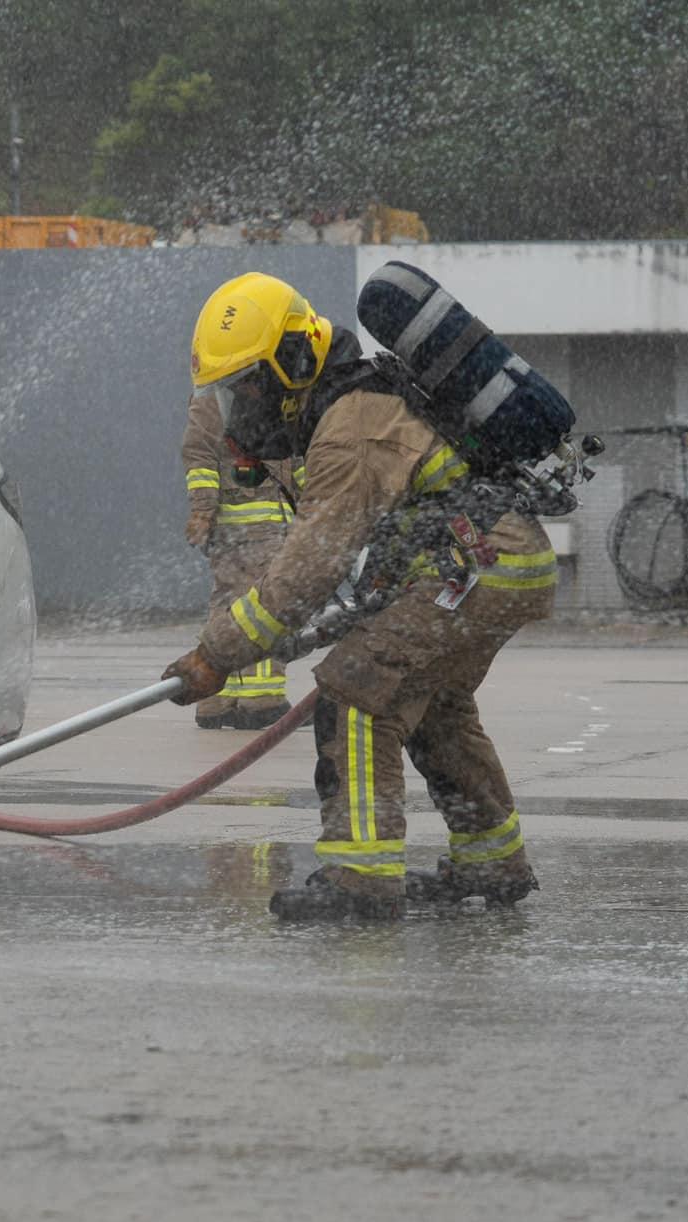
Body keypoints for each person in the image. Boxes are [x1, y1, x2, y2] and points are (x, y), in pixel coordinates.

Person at [160, 273, 557, 920]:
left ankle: (362, 878)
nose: (242, 410)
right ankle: (492, 861)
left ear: (293, 362)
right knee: (436, 710)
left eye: (248, 388)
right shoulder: (350, 405)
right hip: (498, 560)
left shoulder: (348, 429)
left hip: (477, 565)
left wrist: (216, 655)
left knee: (354, 692)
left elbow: (305, 573)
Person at [179, 387, 300, 729]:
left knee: (228, 603)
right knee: (269, 604)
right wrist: (203, 509)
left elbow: (296, 461)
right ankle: (262, 699)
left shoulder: (218, 391)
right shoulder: (230, 391)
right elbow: (199, 452)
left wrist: (204, 510)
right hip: (261, 523)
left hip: (241, 526)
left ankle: (217, 698)